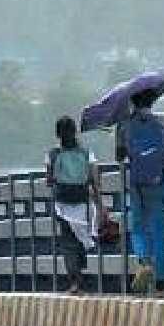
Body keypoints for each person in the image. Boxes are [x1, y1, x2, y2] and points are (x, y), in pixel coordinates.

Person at [115, 88, 164, 295]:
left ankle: (143, 261)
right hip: (158, 182)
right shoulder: (162, 123)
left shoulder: (124, 125)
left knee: (138, 226)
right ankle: (161, 285)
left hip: (136, 184)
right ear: (152, 101)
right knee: (159, 230)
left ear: (133, 103)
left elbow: (119, 156)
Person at [46, 116, 105, 295]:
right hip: (82, 203)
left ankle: (74, 280)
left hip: (62, 204)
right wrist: (100, 205)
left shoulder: (52, 154)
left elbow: (49, 180)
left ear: (58, 134)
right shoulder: (86, 153)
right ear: (75, 132)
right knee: (81, 238)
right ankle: (81, 276)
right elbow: (95, 180)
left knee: (68, 242)